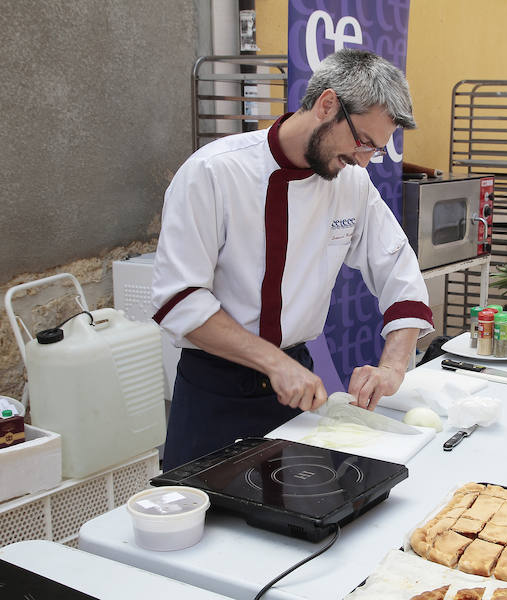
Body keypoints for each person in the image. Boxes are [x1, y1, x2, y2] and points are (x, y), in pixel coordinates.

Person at [151, 49, 434, 469]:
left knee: (293, 522)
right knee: (207, 521)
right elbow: (178, 298)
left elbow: (398, 270)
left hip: (297, 391)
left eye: (375, 150)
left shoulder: (351, 183)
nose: (363, 159)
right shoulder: (214, 172)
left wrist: (392, 367)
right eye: (363, 142)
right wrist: (273, 362)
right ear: (327, 104)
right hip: (215, 391)